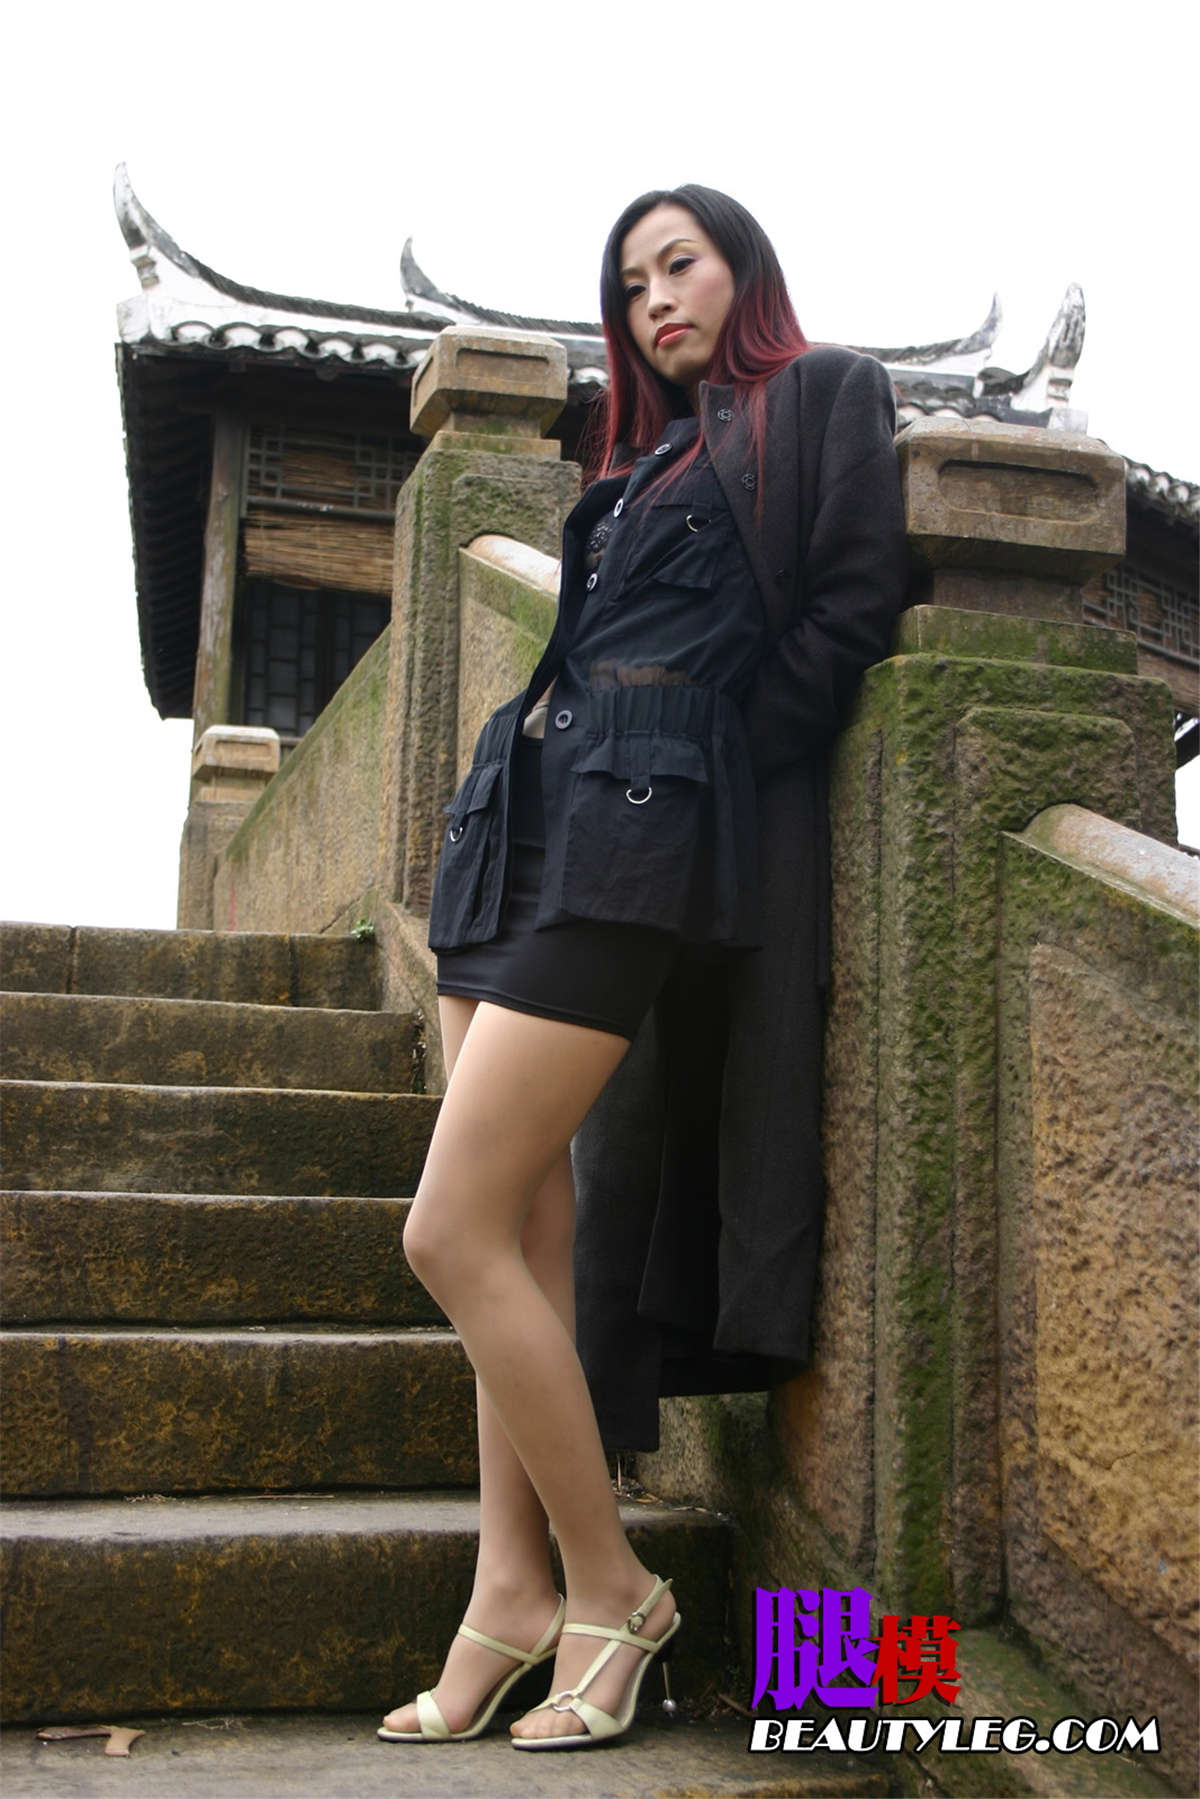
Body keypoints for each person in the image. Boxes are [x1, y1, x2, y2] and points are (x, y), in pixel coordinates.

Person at [378, 184, 908, 1750]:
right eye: (631, 282)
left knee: (445, 1229)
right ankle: (507, 1587)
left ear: (745, 269)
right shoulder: (633, 461)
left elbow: (848, 615)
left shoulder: (821, 396)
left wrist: (705, 775)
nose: (656, 297)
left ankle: (610, 1585)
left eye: (682, 264)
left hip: (635, 838)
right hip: (517, 818)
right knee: (522, 1229)